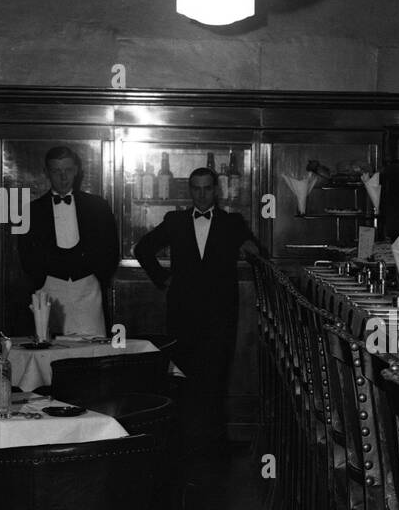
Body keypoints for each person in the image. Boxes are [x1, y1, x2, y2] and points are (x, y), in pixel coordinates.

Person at [134, 166, 264, 445]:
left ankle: (217, 442)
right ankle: (181, 443)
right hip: (183, 312)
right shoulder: (175, 220)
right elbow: (142, 248)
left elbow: (256, 253)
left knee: (217, 377)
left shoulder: (233, 222)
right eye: (196, 188)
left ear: (216, 190)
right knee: (182, 376)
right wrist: (163, 278)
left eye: (207, 188)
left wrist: (252, 250)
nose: (202, 195)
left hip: (221, 313)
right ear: (190, 190)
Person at [17, 146, 119, 336]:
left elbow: (111, 249)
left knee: (91, 352)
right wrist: (42, 280)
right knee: (50, 352)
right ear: (46, 172)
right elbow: (25, 255)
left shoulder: (98, 206)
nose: (63, 177)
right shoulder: (30, 211)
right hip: (49, 290)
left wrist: (97, 276)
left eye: (68, 170)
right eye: (56, 171)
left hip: (88, 289)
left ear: (78, 170)